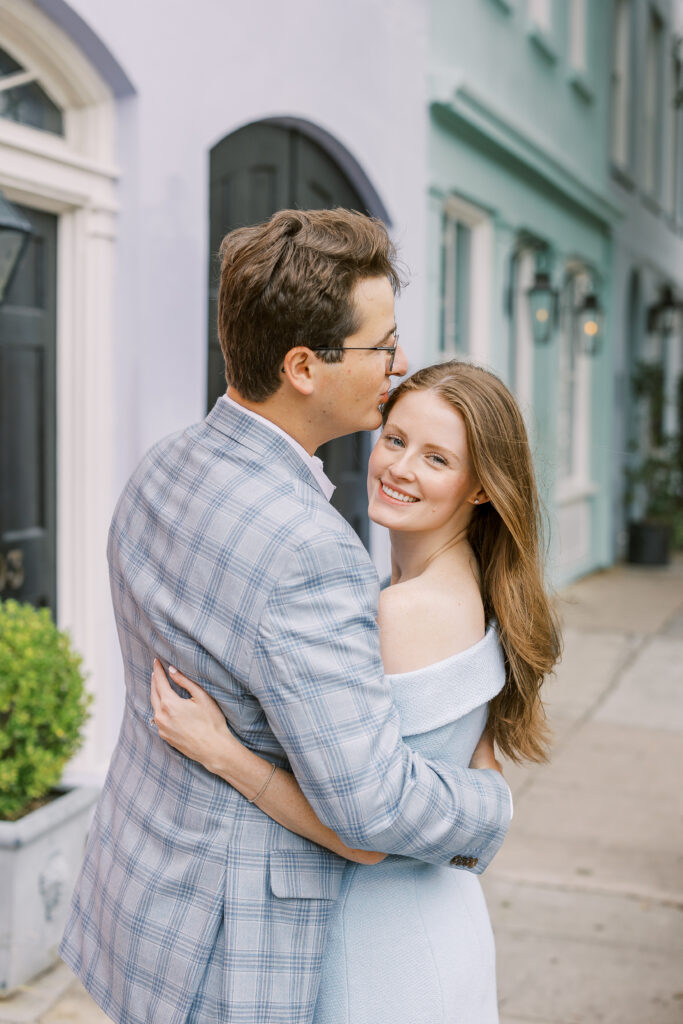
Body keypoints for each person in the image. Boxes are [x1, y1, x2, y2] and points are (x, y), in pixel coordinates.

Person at [60, 209, 514, 1024]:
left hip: (136, 900)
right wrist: (490, 807)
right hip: (230, 954)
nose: (398, 363)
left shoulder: (161, 466)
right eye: (382, 346)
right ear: (304, 366)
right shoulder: (311, 550)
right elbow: (371, 810)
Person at [150, 359, 561, 1023]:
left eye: (436, 458)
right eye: (395, 440)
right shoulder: (476, 586)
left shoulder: (409, 613)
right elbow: (475, 767)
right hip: (439, 923)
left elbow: (365, 835)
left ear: (480, 487)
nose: (398, 468)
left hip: (384, 953)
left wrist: (222, 752)